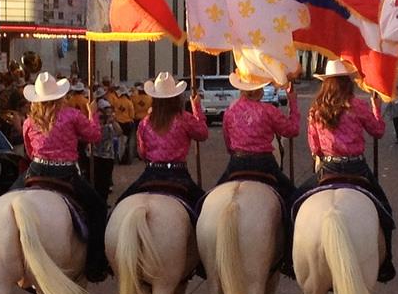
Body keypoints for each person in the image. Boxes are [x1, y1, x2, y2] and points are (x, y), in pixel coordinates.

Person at [295, 59, 395, 282]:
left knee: (294, 202)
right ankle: (385, 260)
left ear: (326, 83)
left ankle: (292, 257)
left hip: (328, 168)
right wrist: (376, 109)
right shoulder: (357, 105)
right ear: (347, 83)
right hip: (356, 168)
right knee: (385, 211)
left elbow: (315, 147)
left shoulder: (316, 108)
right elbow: (378, 131)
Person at [18, 71, 110, 283]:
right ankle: (96, 263)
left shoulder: (29, 121)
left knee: (6, 200)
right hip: (65, 173)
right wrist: (92, 114)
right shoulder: (72, 115)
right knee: (98, 209)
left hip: (36, 170)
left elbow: (30, 151)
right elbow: (94, 136)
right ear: (59, 96)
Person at [216, 71, 300, 261]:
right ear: (259, 90)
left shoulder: (230, 111)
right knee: (294, 200)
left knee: (206, 201)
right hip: (264, 163)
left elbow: (228, 144)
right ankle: (290, 251)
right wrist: (293, 103)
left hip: (236, 163)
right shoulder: (268, 111)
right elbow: (292, 130)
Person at [115, 72, 208, 211]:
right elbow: (202, 134)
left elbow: (142, 153)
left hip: (151, 172)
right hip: (178, 173)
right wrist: (197, 110)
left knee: (120, 203)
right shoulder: (184, 118)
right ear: (176, 98)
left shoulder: (145, 122)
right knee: (203, 206)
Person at [90, 100, 119, 201]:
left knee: (104, 184)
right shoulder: (96, 128)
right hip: (95, 157)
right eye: (99, 117)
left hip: (107, 158)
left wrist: (113, 121)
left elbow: (120, 132)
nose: (100, 119)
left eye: (102, 117)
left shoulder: (108, 126)